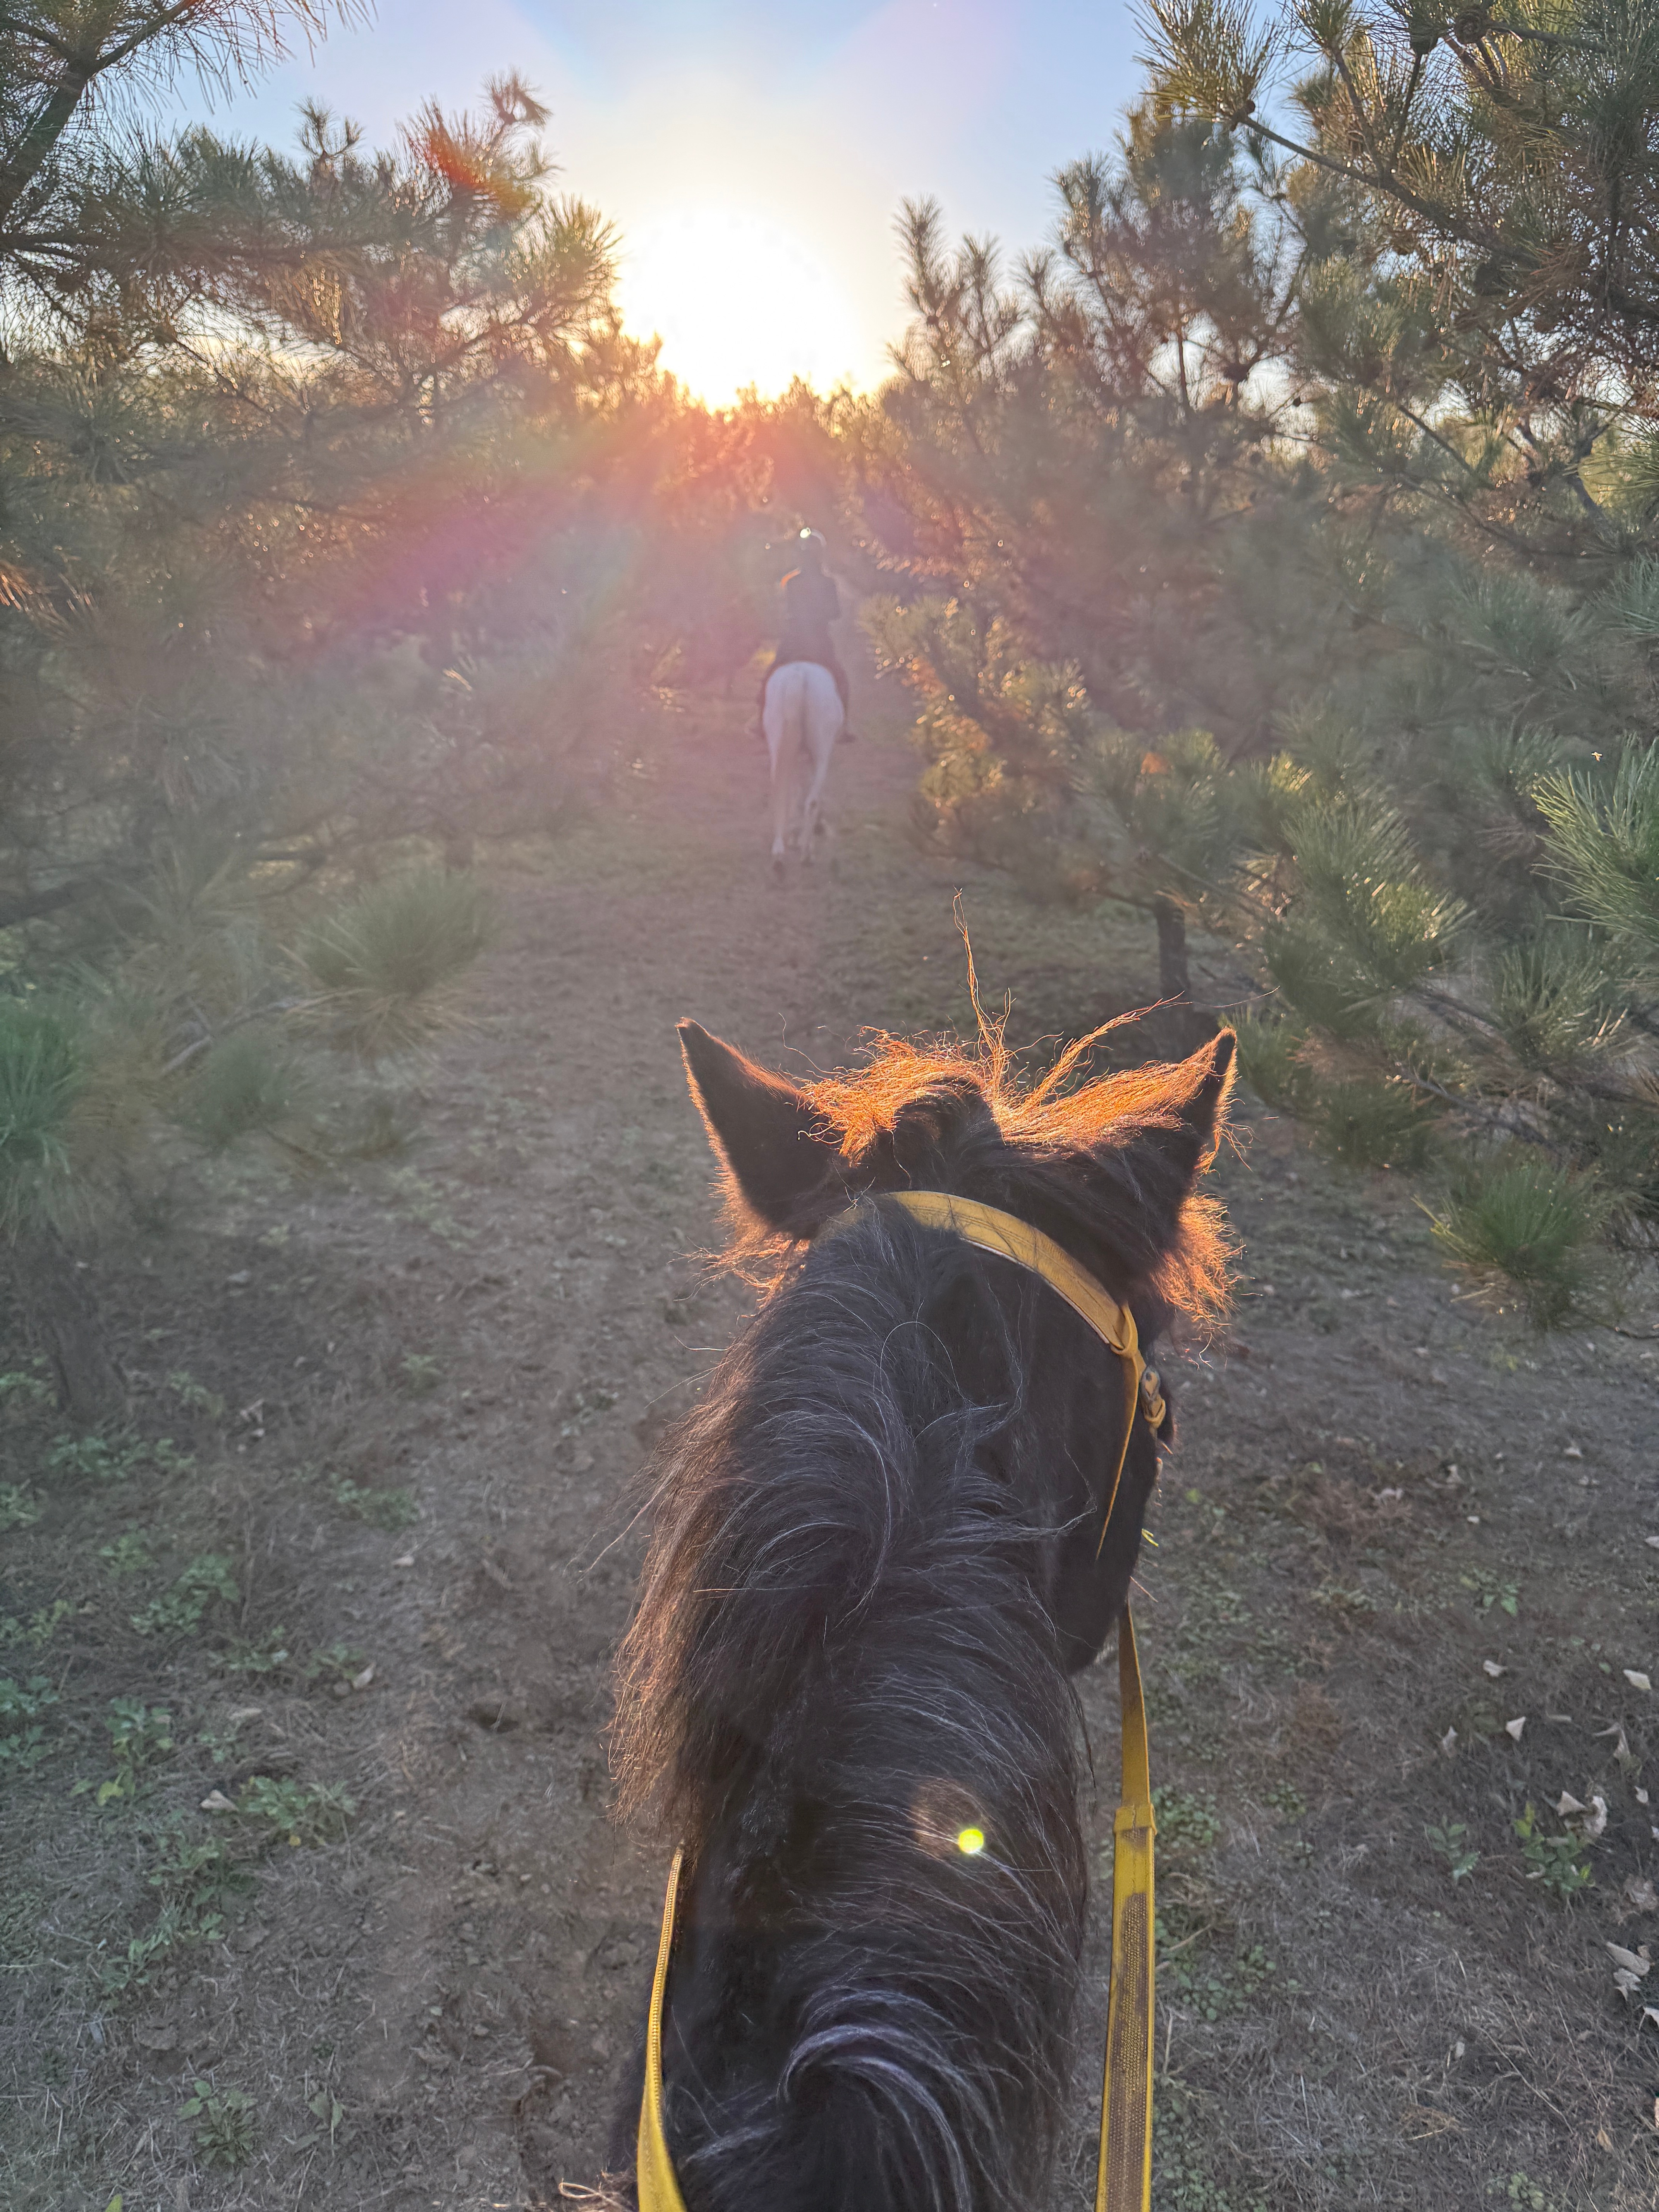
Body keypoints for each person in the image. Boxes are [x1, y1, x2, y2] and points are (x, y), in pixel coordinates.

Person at [756, 529, 853, 737]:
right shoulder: (828, 583)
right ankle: (843, 727)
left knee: (770, 675)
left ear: (801, 556)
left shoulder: (791, 582)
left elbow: (788, 610)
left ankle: (759, 722)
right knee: (840, 679)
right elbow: (836, 613)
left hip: (794, 639)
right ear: (821, 555)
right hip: (819, 639)